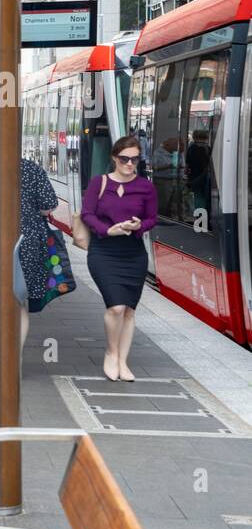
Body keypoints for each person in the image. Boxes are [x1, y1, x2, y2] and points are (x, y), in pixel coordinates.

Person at [80, 136, 157, 383]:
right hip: (104, 252)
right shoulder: (98, 183)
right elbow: (86, 214)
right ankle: (111, 353)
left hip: (133, 254)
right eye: (125, 159)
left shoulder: (146, 187)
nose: (130, 164)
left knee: (129, 311)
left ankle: (123, 361)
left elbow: (152, 219)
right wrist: (107, 230)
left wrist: (138, 225)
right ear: (115, 158)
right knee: (116, 307)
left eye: (135, 159)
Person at [18, 156, 74, 351]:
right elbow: (47, 205)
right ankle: (15, 359)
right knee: (18, 301)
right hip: (28, 242)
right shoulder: (29, 168)